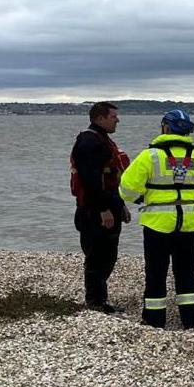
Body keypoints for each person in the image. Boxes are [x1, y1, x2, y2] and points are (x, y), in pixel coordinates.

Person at [119, 109, 194, 329]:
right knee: (187, 272)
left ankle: (154, 320)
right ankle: (190, 318)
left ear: (165, 127)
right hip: (188, 223)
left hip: (156, 224)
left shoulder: (150, 156)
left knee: (156, 272)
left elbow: (126, 189)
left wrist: (142, 197)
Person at [70, 101, 130, 314]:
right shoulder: (88, 142)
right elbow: (90, 180)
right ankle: (95, 302)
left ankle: (100, 298)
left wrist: (121, 205)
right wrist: (103, 209)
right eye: (114, 117)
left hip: (108, 205)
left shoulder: (102, 140)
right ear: (100, 118)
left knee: (108, 255)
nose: (117, 120)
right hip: (93, 211)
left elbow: (111, 179)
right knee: (97, 257)